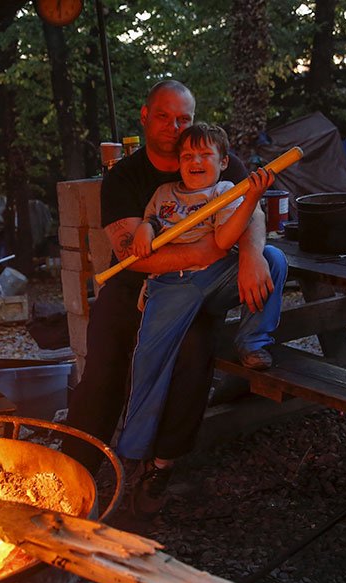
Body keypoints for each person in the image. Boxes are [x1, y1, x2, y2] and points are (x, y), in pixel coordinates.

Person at [63, 80, 277, 515]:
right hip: (133, 286)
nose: (175, 127)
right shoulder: (127, 176)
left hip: (197, 286)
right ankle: (76, 468)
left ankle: (159, 468)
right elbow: (133, 257)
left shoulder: (218, 160)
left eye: (184, 118)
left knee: (194, 351)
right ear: (145, 116)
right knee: (104, 360)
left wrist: (252, 251)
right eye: (164, 116)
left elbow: (250, 209)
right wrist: (213, 248)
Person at [115, 123, 287, 465]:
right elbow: (152, 220)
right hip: (171, 285)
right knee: (148, 360)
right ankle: (132, 450)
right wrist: (145, 230)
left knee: (273, 258)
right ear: (178, 162)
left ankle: (253, 341)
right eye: (187, 155)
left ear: (223, 162)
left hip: (216, 279)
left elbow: (224, 241)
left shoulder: (225, 191)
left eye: (206, 154)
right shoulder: (164, 193)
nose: (196, 160)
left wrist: (251, 196)